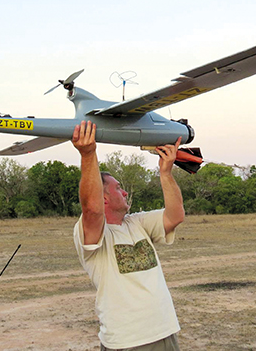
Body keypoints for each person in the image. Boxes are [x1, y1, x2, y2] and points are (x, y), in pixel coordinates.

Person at [71, 120, 185, 351]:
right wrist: (88, 154)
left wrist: (166, 174)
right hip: (129, 341)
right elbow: (92, 209)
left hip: (165, 332)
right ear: (104, 198)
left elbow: (175, 216)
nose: (124, 192)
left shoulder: (137, 223)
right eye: (117, 188)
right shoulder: (92, 233)